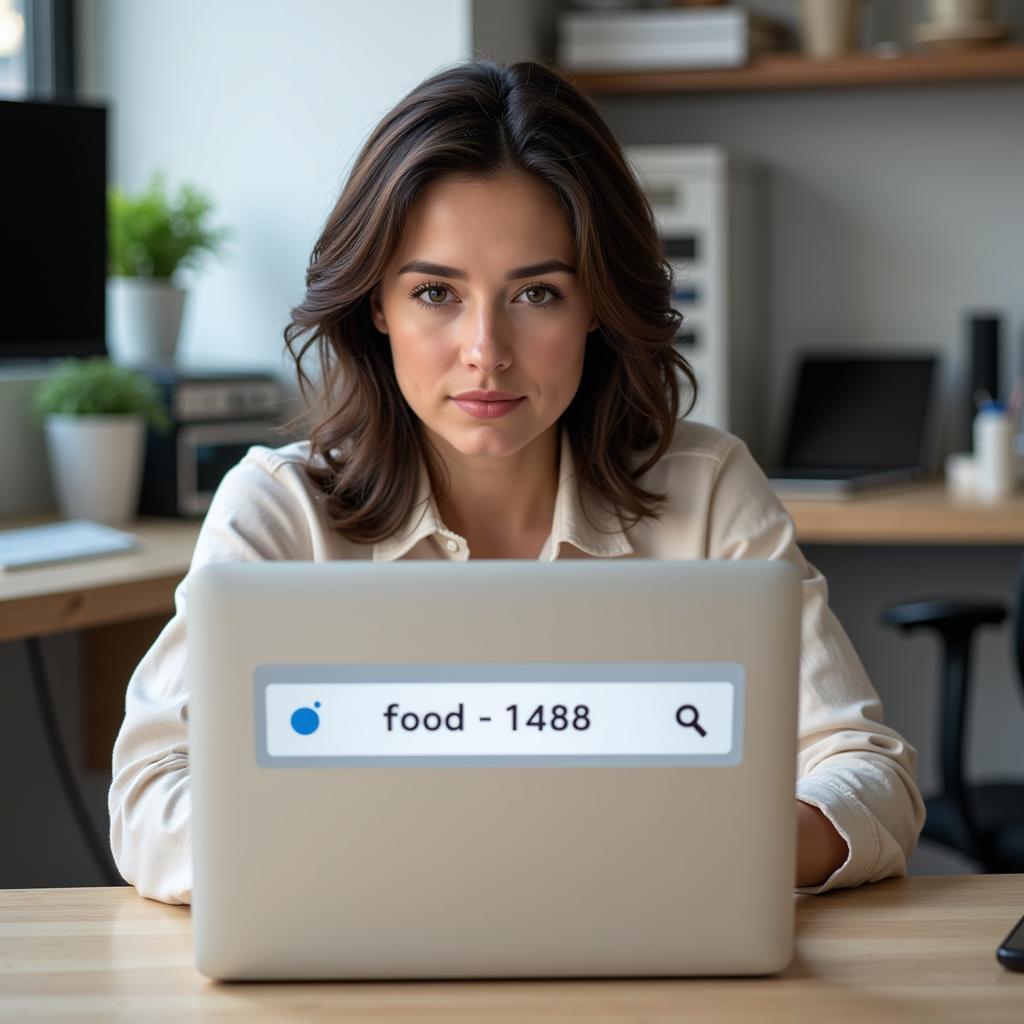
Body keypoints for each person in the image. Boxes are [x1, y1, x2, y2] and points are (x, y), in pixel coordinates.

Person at [109, 58, 925, 906]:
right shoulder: (278, 511)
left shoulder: (709, 491)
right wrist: (438, 869)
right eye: (436, 292)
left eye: (537, 293)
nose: (485, 350)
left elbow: (871, 780)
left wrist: (697, 853)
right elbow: (149, 801)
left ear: (597, 305)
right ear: (376, 306)